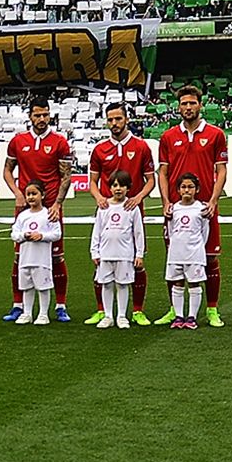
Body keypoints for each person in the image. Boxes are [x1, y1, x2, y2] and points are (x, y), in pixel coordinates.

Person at [156, 85, 229, 327]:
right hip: (176, 210)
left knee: (210, 258)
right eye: (184, 104)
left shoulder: (216, 134)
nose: (188, 107)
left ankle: (212, 309)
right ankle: (173, 309)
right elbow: (163, 173)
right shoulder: (168, 137)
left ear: (200, 105)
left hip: (204, 207)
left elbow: (221, 170)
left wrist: (214, 200)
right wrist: (166, 201)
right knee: (173, 258)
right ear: (178, 107)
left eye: (192, 103)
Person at [1, 97, 75, 323]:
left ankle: (60, 305)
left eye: (45, 115)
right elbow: (7, 170)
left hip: (50, 206)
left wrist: (57, 203)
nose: (42, 119)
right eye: (37, 115)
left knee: (56, 257)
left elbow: (66, 175)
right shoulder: (17, 141)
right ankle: (18, 305)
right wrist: (17, 193)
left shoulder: (60, 141)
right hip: (25, 207)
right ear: (30, 116)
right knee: (20, 256)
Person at [87, 102, 155, 326]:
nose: (114, 123)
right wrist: (98, 197)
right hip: (108, 210)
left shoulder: (141, 146)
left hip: (131, 209)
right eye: (110, 120)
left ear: (127, 119)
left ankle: (136, 310)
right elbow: (93, 182)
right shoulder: (99, 149)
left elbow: (150, 180)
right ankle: (102, 311)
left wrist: (138, 197)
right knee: (103, 265)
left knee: (136, 263)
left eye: (118, 119)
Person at [88, 171, 144, 330]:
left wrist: (139, 253)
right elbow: (97, 231)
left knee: (122, 284)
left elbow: (138, 232)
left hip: (125, 254)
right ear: (110, 187)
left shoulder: (132, 207)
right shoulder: (103, 207)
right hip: (106, 254)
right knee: (106, 284)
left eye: (122, 185)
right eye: (115, 185)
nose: (118, 189)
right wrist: (95, 252)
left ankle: (121, 316)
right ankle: (108, 316)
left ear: (128, 188)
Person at [10, 182, 62, 326]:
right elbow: (14, 234)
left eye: (34, 194)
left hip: (41, 259)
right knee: (26, 287)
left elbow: (57, 234)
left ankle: (43, 314)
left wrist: (42, 236)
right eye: (28, 194)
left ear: (42, 195)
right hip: (25, 259)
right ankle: (27, 313)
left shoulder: (48, 214)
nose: (31, 197)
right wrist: (24, 235)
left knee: (43, 287)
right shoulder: (23, 216)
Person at [163, 173, 210, 330]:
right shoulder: (173, 209)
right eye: (183, 187)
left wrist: (197, 247)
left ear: (196, 189)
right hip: (176, 253)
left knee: (194, 283)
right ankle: (178, 316)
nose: (187, 190)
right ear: (178, 190)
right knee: (177, 282)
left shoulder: (201, 209)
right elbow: (170, 232)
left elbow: (205, 232)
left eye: (190, 187)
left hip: (194, 253)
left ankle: (192, 317)